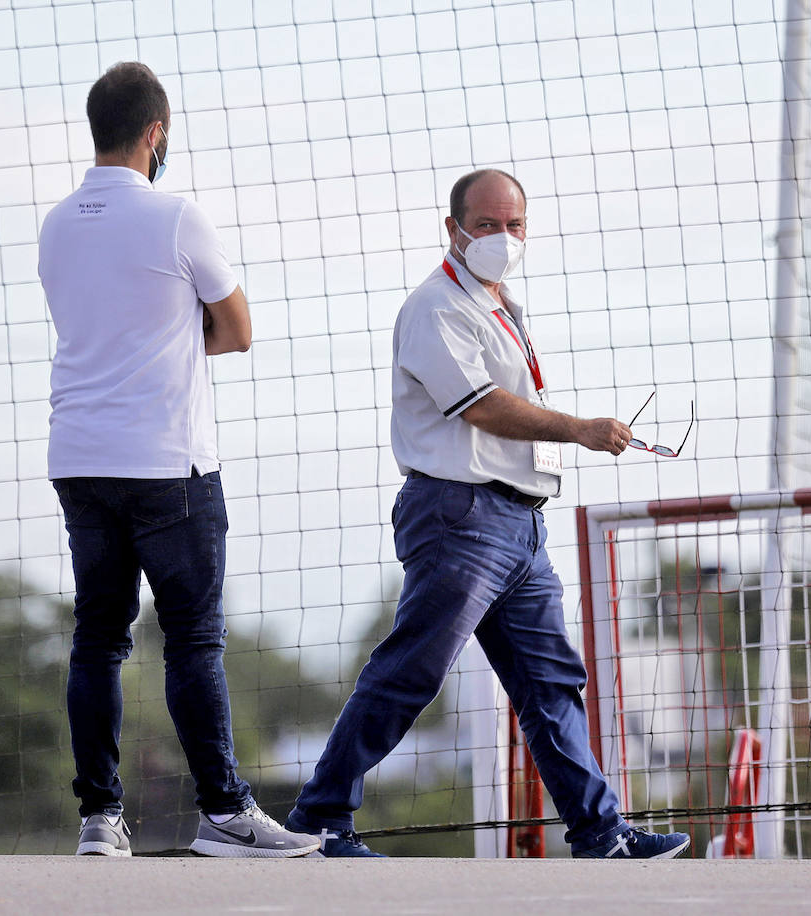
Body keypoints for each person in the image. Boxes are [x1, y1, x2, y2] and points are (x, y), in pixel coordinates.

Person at [285, 168, 691, 860]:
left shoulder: (501, 306)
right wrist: (580, 429)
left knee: (551, 681)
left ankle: (600, 832)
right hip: (460, 515)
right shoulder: (435, 308)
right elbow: (481, 406)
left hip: (519, 524)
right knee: (413, 669)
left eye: (514, 225)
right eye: (486, 224)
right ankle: (318, 820)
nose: (502, 238)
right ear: (453, 229)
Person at [38, 61, 317, 859]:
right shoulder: (176, 217)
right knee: (192, 640)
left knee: (98, 639)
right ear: (156, 133)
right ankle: (225, 813)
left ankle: (99, 820)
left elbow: (94, 325)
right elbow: (236, 330)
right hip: (167, 462)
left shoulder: (56, 224)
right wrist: (169, 335)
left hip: (80, 458)